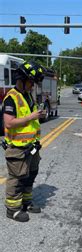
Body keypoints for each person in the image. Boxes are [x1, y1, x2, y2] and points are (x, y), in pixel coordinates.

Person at [2, 61, 45, 222]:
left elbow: (30, 119)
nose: (32, 86)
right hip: (17, 148)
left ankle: (26, 202)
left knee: (30, 175)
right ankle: (12, 209)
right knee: (17, 178)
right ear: (22, 78)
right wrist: (31, 117)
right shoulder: (11, 98)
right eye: (31, 82)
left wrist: (38, 115)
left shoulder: (27, 95)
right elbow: (9, 123)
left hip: (31, 146)